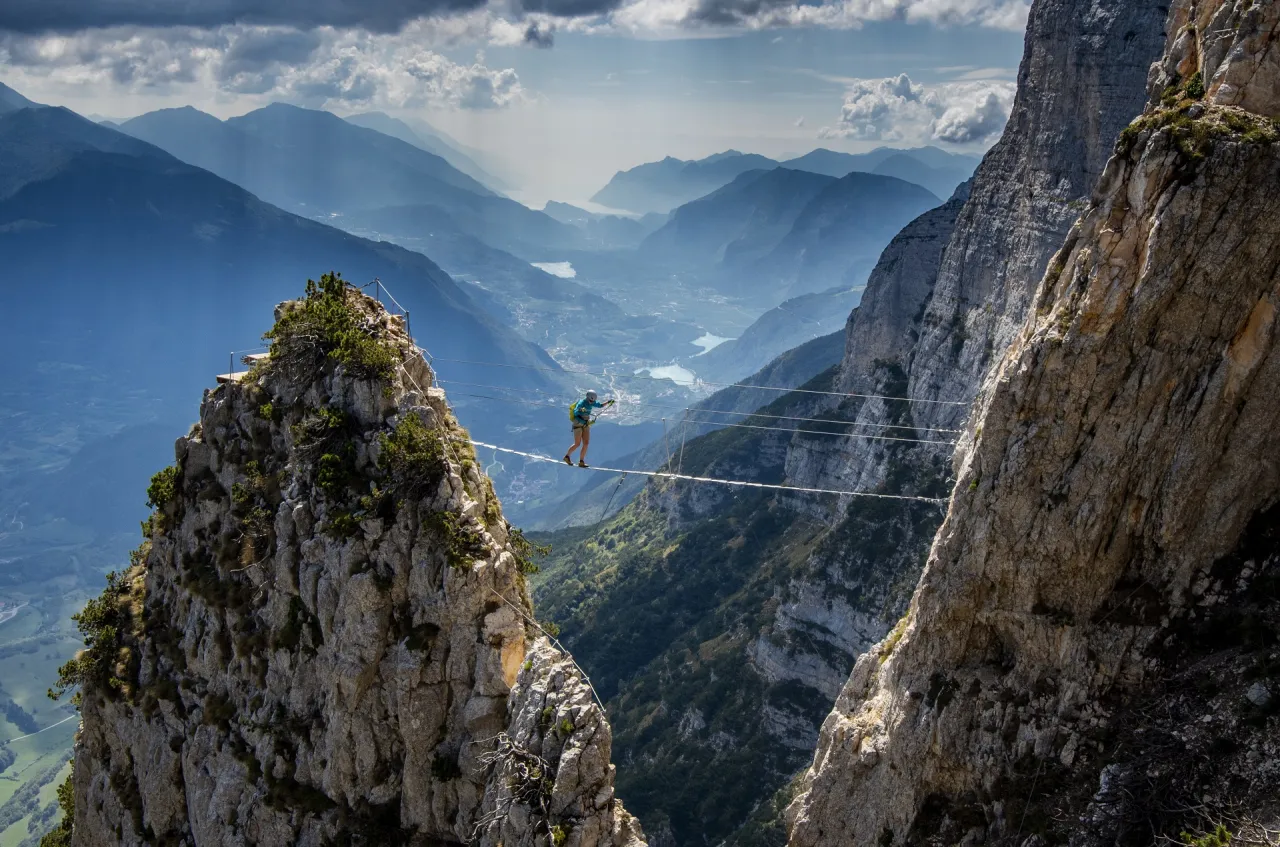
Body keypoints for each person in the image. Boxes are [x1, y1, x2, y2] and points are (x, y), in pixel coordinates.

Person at [564, 390, 614, 468]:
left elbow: (600, 405)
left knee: (586, 443)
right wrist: (581, 409)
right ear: (587, 398)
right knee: (577, 444)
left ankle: (581, 461)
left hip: (585, 423)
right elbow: (576, 411)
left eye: (592, 401)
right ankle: (567, 457)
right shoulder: (581, 402)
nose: (591, 402)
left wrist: (608, 402)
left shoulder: (592, 402)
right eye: (590, 400)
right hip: (578, 423)